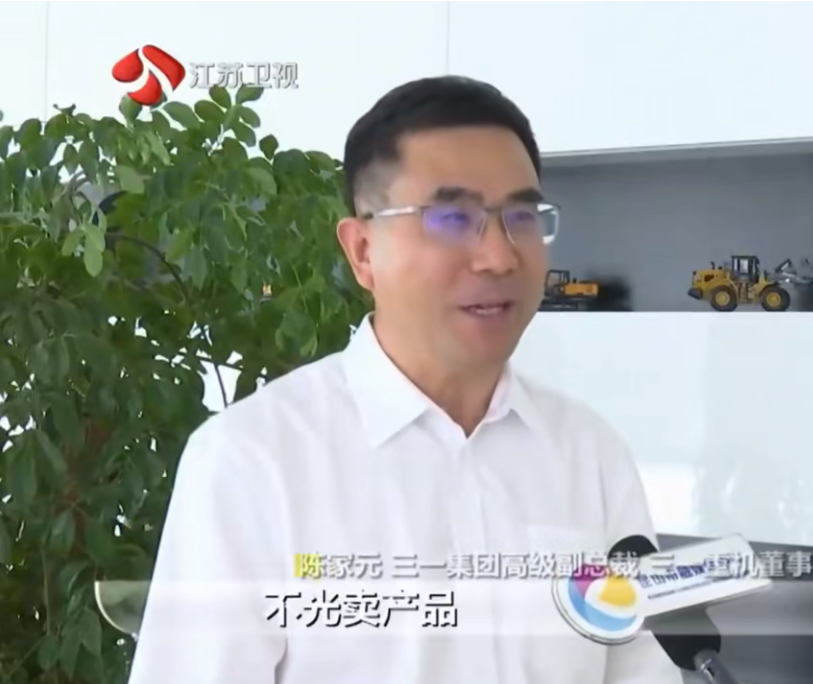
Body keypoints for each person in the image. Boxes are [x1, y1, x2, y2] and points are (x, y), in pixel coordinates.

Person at [127, 77, 682, 684]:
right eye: (452, 218)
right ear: (363, 251)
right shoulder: (252, 460)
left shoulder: (589, 453)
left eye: (522, 216)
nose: (499, 257)